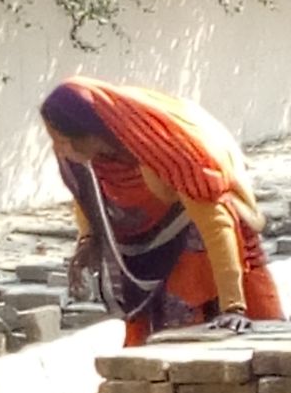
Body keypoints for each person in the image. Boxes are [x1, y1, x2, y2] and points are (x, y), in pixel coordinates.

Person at [40, 76, 284, 345]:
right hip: (147, 247)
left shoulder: (167, 148)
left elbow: (216, 222)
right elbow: (89, 195)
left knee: (192, 327)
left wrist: (233, 308)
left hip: (199, 235)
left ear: (90, 132)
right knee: (149, 349)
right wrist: (88, 237)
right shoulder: (85, 156)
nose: (58, 149)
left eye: (63, 141)